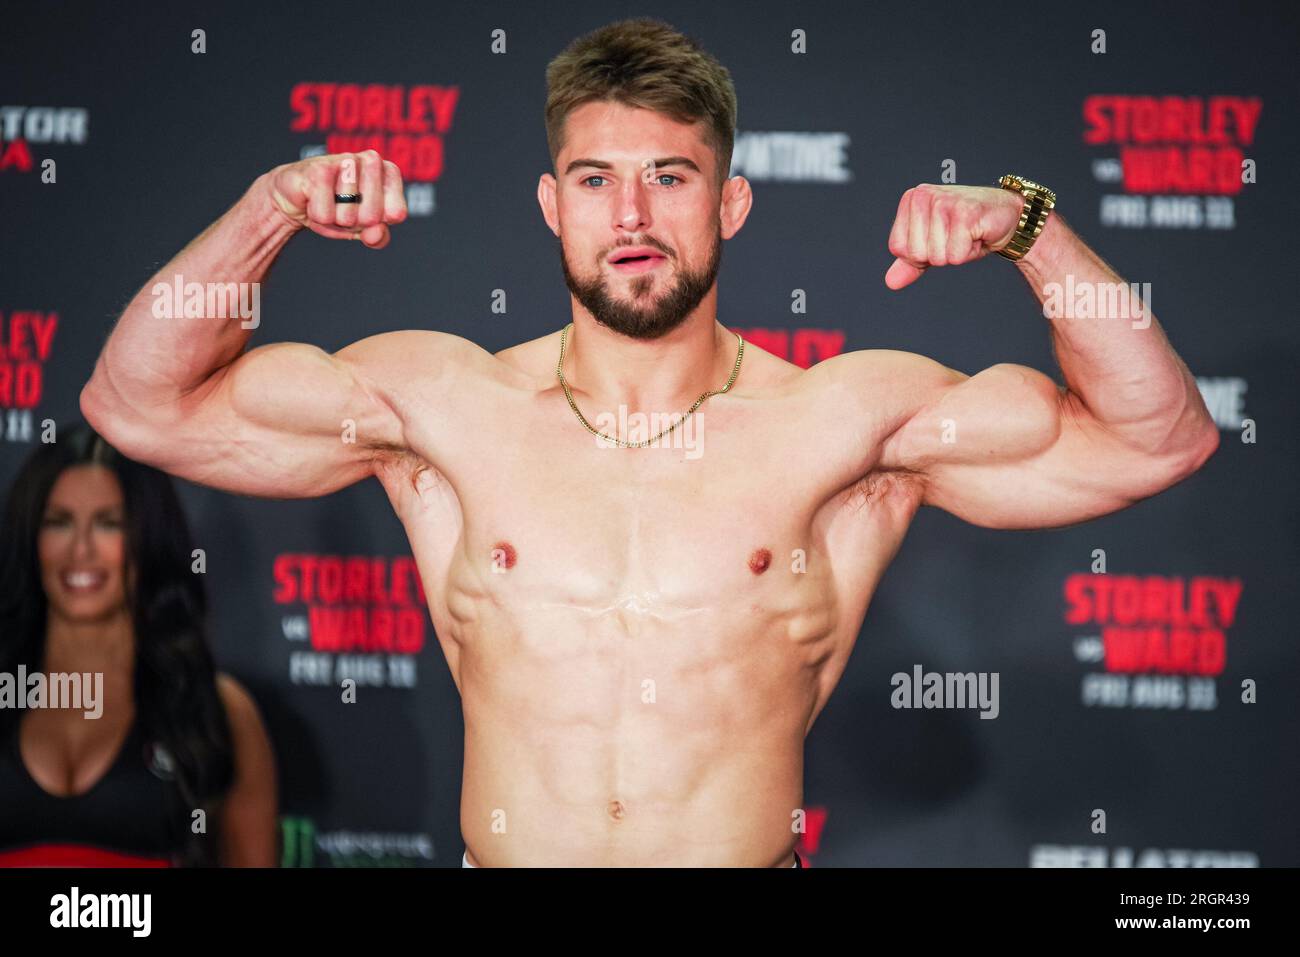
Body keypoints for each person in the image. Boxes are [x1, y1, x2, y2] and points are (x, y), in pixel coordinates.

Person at [79, 18, 1218, 867]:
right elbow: (138, 405)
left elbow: (1151, 440)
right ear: (550, 207)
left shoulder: (844, 423)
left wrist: (1030, 228)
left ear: (729, 207)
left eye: (669, 178)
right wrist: (272, 205)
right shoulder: (436, 403)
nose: (630, 215)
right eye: (596, 180)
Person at [0, 423, 277, 866]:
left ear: (147, 539)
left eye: (109, 523)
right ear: (30, 537)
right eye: (58, 523)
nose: (81, 550)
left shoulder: (219, 712)